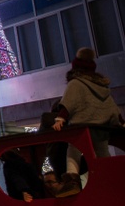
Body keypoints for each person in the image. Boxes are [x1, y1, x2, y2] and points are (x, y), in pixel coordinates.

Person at [53, 47, 125, 193]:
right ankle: (110, 179)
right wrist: (120, 121)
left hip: (83, 125)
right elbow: (111, 106)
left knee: (73, 150)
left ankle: (72, 180)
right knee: (102, 152)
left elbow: (69, 102)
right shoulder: (102, 87)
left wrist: (61, 118)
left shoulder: (76, 83)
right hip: (101, 127)